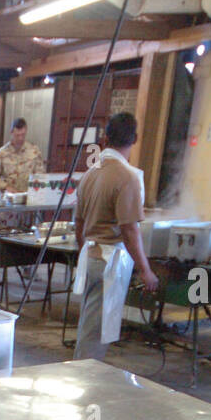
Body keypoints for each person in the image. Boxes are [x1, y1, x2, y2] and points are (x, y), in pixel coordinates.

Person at [71, 111, 159, 361]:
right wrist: (145, 270)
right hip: (110, 262)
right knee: (96, 331)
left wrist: (84, 252)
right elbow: (130, 230)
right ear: (135, 138)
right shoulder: (127, 177)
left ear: (105, 139)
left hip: (91, 256)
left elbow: (78, 223)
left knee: (88, 324)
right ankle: (85, 379)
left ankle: (82, 372)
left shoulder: (90, 174)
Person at [0, 117, 46, 195]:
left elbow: (40, 175)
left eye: (23, 135)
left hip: (28, 197)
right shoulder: (2, 153)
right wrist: (6, 187)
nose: (20, 138)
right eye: (17, 135)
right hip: (8, 198)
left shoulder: (34, 151)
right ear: (11, 132)